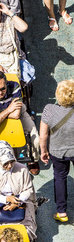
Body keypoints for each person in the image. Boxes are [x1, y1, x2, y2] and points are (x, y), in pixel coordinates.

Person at [0, 71, 40, 174]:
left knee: (35, 138)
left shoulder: (15, 86)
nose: (0, 93)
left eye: (2, 88)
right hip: (4, 113)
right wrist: (8, 110)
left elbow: (16, 115)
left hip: (12, 114)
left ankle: (33, 159)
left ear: (6, 83)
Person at [0, 141, 37, 240]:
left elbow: (28, 189)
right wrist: (7, 199)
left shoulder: (22, 169)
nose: (9, 166)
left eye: (12, 161)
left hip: (20, 204)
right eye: (5, 163)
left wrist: (17, 202)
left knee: (23, 234)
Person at [40, 79, 74, 222]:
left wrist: (44, 151)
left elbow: (43, 135)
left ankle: (62, 212)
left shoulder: (49, 109)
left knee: (60, 178)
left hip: (57, 151)